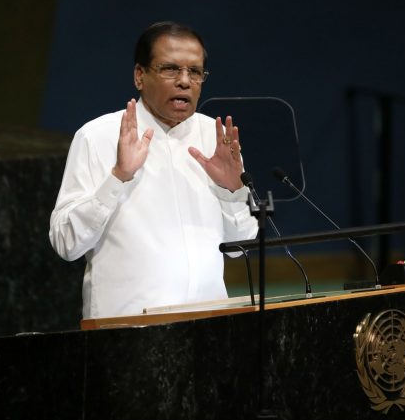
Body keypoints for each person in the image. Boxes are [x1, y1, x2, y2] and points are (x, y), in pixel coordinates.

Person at [49, 21, 258, 319]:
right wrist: (118, 177)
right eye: (170, 69)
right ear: (139, 76)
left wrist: (232, 190)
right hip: (127, 329)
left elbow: (242, 247)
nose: (184, 81)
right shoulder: (98, 137)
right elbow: (66, 243)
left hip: (210, 327)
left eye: (195, 72)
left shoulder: (215, 137)